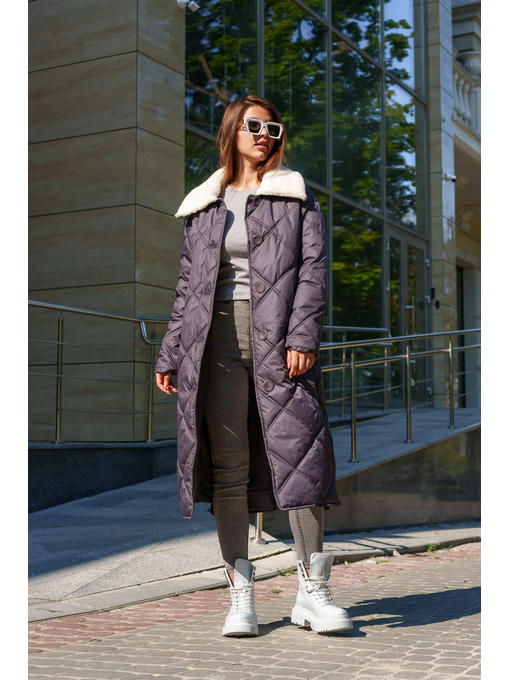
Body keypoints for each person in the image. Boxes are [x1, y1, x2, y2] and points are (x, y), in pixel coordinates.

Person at [155, 94, 352, 637]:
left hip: (280, 341)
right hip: (211, 343)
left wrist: (303, 335)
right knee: (229, 468)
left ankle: (313, 593)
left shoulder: (295, 196)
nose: (266, 135)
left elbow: (313, 270)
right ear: (232, 132)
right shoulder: (203, 205)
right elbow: (187, 288)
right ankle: (240, 595)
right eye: (254, 126)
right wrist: (171, 350)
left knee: (302, 461)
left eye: (273, 128)